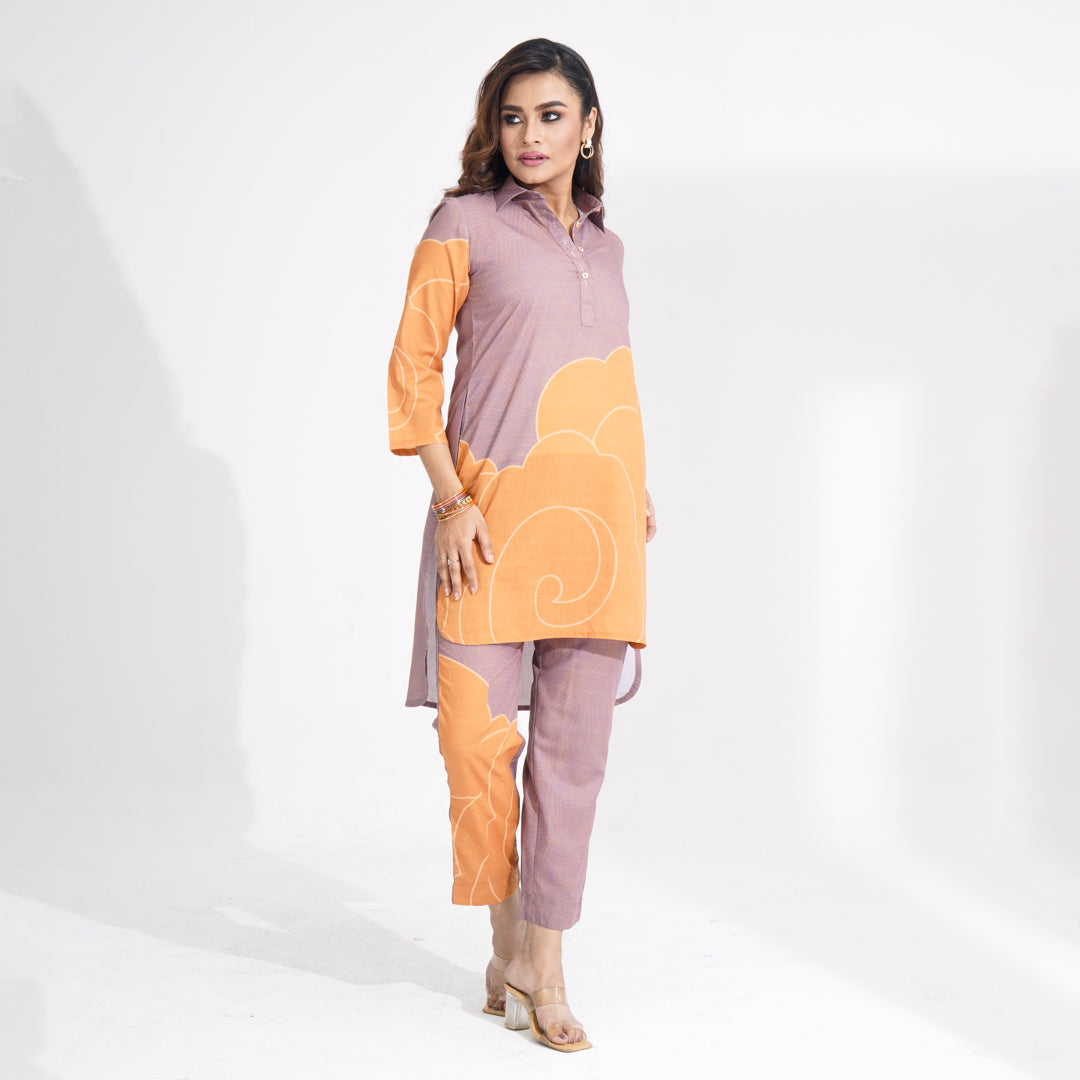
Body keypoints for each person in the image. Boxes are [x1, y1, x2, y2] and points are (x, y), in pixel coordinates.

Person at [386, 37, 656, 1052]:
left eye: (550, 115)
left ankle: (546, 962)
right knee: (476, 749)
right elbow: (412, 372)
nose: (530, 135)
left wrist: (634, 480)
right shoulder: (463, 224)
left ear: (588, 127)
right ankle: (505, 943)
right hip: (487, 525)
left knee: (573, 760)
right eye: (512, 116)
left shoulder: (609, 247)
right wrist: (451, 501)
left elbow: (605, 371)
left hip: (598, 524)